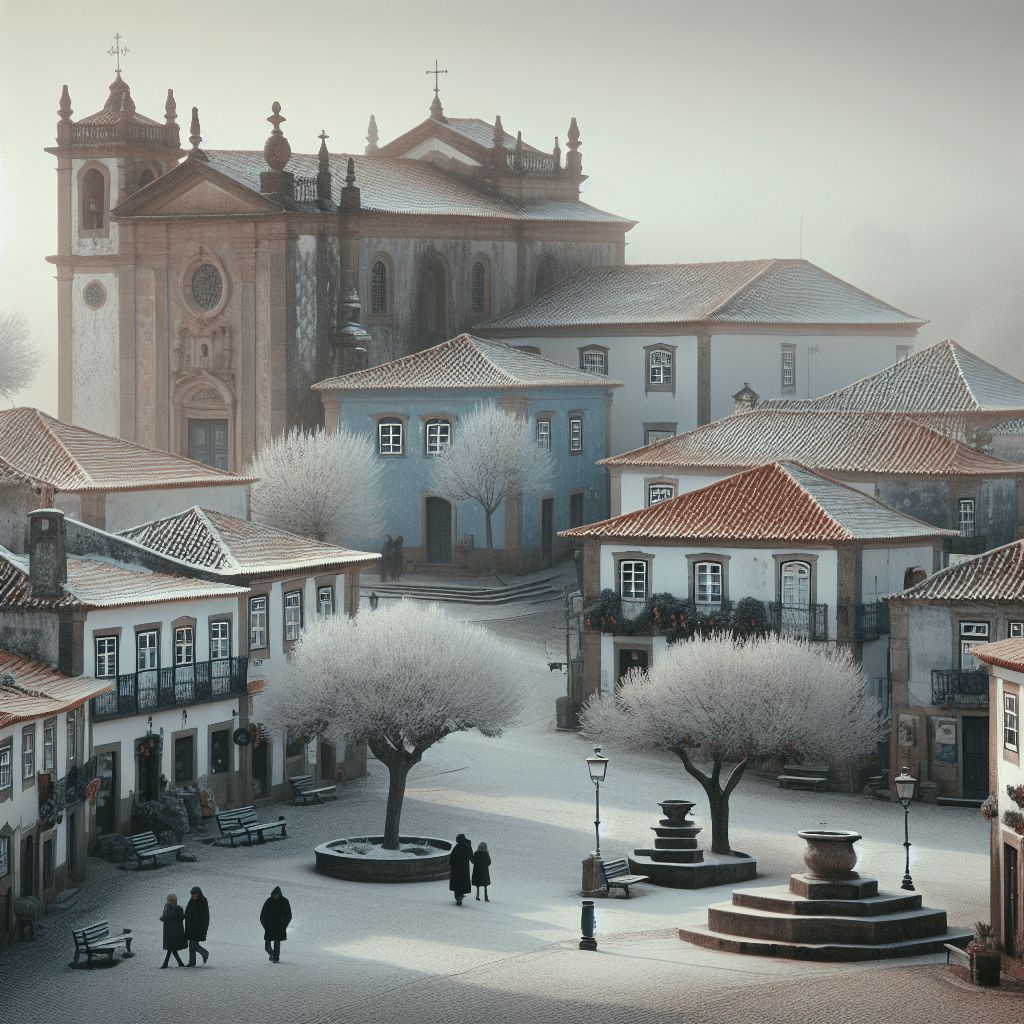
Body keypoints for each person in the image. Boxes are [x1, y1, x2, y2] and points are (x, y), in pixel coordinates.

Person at [260, 885, 292, 962]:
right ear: (273, 894)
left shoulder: (284, 901)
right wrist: (265, 925)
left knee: (277, 942)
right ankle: (272, 954)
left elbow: (288, 915)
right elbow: (263, 914)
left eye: (278, 894)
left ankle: (276, 958)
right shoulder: (269, 901)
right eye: (276, 894)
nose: (277, 896)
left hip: (279, 926)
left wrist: (284, 924)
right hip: (269, 925)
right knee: (267, 946)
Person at [184, 885, 210, 966]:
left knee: (193, 944)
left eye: (195, 894)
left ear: (199, 894)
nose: (194, 896)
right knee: (192, 944)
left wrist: (202, 927)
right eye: (192, 894)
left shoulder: (202, 901)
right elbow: (188, 912)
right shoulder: (191, 901)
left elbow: (204, 916)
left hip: (198, 927)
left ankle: (204, 953)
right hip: (191, 926)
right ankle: (192, 962)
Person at [159, 894, 187, 968]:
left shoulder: (178, 909)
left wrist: (164, 917)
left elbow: (171, 916)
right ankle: (180, 963)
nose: (169, 901)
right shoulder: (167, 907)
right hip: (169, 930)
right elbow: (166, 916)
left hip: (175, 931)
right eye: (169, 900)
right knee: (172, 948)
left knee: (170, 947)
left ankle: (165, 964)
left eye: (171, 900)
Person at [448, 833, 473, 906]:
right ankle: (460, 896)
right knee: (462, 883)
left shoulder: (457, 847)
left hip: (456, 869)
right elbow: (471, 857)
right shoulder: (467, 847)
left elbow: (452, 857)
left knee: (456, 884)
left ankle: (458, 897)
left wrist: (450, 863)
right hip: (464, 869)